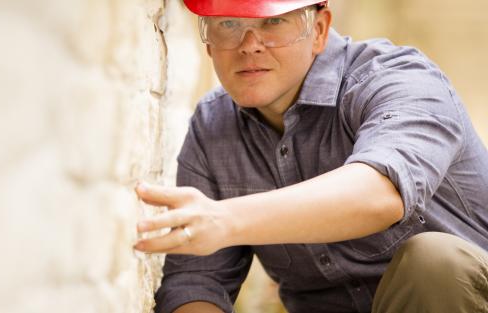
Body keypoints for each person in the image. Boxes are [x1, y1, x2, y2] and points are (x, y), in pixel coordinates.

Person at [132, 1, 488, 312]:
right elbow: (196, 281)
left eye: (274, 22)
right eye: (228, 24)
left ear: (318, 30)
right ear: (208, 43)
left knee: (433, 263)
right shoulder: (212, 128)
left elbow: (381, 194)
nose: (250, 45)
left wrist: (226, 219)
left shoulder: (399, 81)